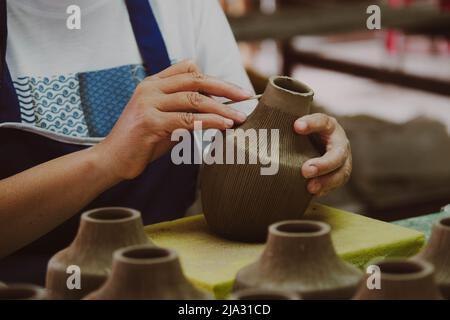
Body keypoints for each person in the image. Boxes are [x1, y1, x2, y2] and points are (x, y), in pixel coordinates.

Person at [0, 0, 352, 284]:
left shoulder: (182, 6)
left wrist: (307, 147)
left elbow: (247, 147)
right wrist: (106, 160)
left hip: (174, 285)